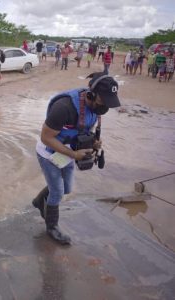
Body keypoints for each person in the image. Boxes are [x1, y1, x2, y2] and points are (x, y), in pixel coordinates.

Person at [33, 72, 121, 245]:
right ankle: (52, 227)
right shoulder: (64, 107)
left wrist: (94, 142)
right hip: (49, 153)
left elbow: (84, 129)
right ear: (91, 94)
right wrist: (74, 154)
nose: (106, 107)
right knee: (57, 191)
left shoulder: (96, 109)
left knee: (66, 189)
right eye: (104, 101)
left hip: (67, 153)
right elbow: (46, 137)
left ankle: (38, 201)